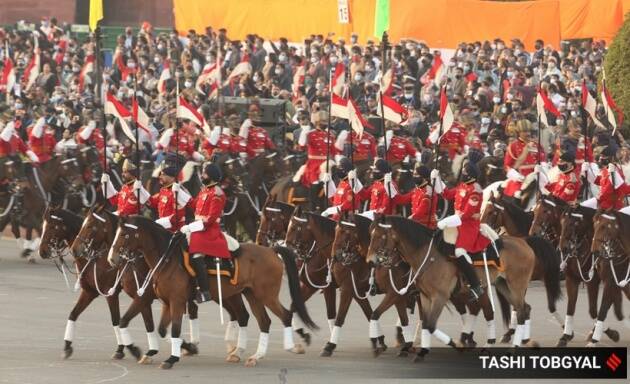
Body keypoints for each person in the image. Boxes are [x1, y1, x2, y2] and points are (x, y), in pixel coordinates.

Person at [182, 164, 240, 303]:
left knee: (196, 254)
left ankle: (204, 291)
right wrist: (181, 193)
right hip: (198, 227)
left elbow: (210, 219)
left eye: (205, 174)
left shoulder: (217, 193)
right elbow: (193, 205)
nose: (202, 176)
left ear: (211, 176)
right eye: (203, 173)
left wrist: (191, 227)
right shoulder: (204, 191)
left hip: (209, 230)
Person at [438, 161, 486, 301]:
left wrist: (448, 220)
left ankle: (476, 285)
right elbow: (446, 194)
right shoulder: (463, 186)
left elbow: (467, 213)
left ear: (470, 174)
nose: (462, 174)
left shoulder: (475, 189)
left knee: (459, 252)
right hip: (458, 222)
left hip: (469, 225)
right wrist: (437, 180)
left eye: (464, 172)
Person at [294, 110, 337, 208]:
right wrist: (304, 134)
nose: (325, 124)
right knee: (315, 183)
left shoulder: (330, 136)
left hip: (328, 164)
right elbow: (301, 146)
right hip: (313, 165)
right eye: (323, 122)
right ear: (317, 122)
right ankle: (313, 206)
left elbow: (334, 152)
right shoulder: (311, 134)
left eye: (326, 122)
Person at [503, 120, 545, 197]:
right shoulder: (513, 146)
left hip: (537, 175)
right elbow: (507, 166)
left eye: (529, 131)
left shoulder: (536, 145)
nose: (528, 133)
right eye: (525, 131)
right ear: (519, 132)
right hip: (521, 177)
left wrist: (542, 168)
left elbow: (543, 160)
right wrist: (517, 176)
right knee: (517, 195)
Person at [149, 160, 191, 232]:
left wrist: (159, 223)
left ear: (172, 178)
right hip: (164, 228)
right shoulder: (163, 190)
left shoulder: (179, 192)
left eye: (164, 174)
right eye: (160, 174)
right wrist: (140, 190)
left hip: (175, 230)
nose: (160, 176)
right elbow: (152, 202)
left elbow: (177, 216)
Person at [594, 145, 629, 211]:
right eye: (601, 156)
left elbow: (608, 191)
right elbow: (597, 182)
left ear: (611, 158)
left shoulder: (615, 171)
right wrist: (586, 171)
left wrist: (599, 198)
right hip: (603, 202)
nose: (600, 158)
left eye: (603, 156)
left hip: (612, 205)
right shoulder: (605, 170)